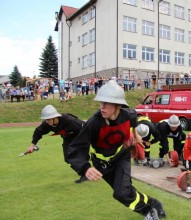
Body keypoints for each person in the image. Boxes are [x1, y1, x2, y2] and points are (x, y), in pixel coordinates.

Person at [67, 80, 166, 219]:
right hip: (101, 164)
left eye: (106, 103)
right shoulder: (94, 123)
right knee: (125, 191)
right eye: (101, 103)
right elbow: (76, 148)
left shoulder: (128, 115)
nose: (102, 107)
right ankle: (155, 203)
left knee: (121, 193)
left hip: (121, 157)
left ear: (118, 105)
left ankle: (148, 211)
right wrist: (85, 168)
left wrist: (136, 136)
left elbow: (135, 122)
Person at [24, 105, 86, 183]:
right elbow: (38, 131)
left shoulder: (69, 120)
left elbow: (85, 127)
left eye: (49, 119)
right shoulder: (47, 123)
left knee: (80, 155)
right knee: (68, 158)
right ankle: (85, 173)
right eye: (46, 119)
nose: (47, 121)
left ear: (55, 117)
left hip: (80, 136)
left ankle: (88, 171)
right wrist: (32, 145)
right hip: (68, 138)